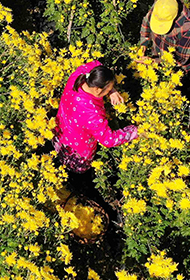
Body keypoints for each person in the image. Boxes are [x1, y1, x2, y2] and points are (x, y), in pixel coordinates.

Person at [53, 61, 139, 213]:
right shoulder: (91, 113)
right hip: (78, 150)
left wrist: (112, 90)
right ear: (99, 90)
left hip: (61, 132)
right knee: (78, 176)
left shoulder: (78, 76)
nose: (111, 91)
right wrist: (135, 131)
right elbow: (108, 140)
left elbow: (95, 64)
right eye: (108, 89)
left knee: (61, 161)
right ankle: (79, 190)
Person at [138, 0, 190, 74]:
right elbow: (146, 22)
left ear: (175, 17)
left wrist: (154, 61)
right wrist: (143, 45)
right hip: (157, 55)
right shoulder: (160, 7)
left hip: (180, 69)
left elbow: (181, 58)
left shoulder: (189, 26)